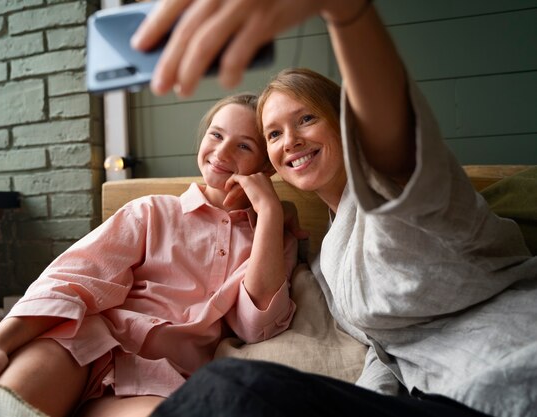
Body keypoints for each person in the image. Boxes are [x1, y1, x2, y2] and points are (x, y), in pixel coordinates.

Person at [131, 1, 537, 417]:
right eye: (273, 133)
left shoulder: (403, 195)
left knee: (223, 391)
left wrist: (348, 13)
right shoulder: (327, 257)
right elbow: (389, 349)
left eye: (306, 118)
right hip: (439, 398)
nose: (290, 140)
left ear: (347, 122)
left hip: (516, 370)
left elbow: (391, 136)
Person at [0, 93, 301, 417]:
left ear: (267, 165)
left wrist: (269, 212)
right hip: (84, 348)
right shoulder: (151, 211)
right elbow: (71, 281)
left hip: (157, 383)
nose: (222, 153)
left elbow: (257, 327)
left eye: (243, 146)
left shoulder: (272, 238)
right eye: (216, 135)